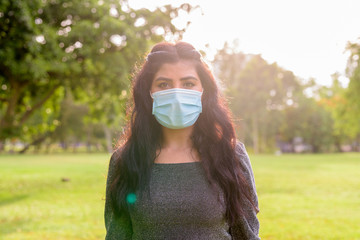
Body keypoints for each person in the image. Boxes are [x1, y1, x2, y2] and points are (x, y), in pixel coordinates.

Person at [104, 41, 260, 240]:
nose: (177, 94)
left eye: (188, 83)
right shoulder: (126, 159)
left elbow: (246, 235)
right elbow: (117, 235)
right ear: (149, 92)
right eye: (164, 84)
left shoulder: (230, 155)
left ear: (204, 91)